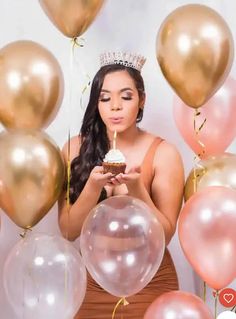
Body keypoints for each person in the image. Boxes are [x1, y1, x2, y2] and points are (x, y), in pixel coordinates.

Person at [58, 52, 184, 319]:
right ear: (96, 103)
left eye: (126, 97)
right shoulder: (74, 149)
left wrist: (138, 190)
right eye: (105, 98)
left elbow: (167, 234)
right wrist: (93, 187)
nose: (115, 106)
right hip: (94, 281)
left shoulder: (164, 153)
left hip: (151, 282)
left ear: (141, 101)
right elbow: (68, 231)